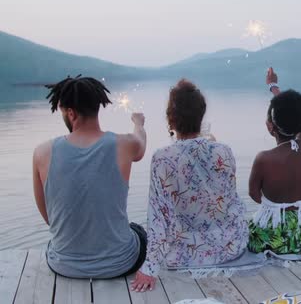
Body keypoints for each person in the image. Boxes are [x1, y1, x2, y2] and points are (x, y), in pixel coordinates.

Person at [132, 79, 248, 292]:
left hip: (187, 254)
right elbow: (227, 199)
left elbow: (158, 219)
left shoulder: (162, 159)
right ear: (201, 115)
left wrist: (149, 268)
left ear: (171, 120)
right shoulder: (224, 151)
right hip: (230, 246)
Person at [33, 76, 147, 278]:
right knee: (138, 230)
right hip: (120, 263)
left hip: (63, 264)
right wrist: (138, 123)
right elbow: (141, 143)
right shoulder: (125, 144)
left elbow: (49, 218)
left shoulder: (41, 152)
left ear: (71, 113)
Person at [248, 68, 301, 254]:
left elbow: (254, 195)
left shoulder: (264, 158)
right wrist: (274, 88)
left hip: (272, 237)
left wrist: (275, 206)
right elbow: (297, 117)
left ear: (270, 126)